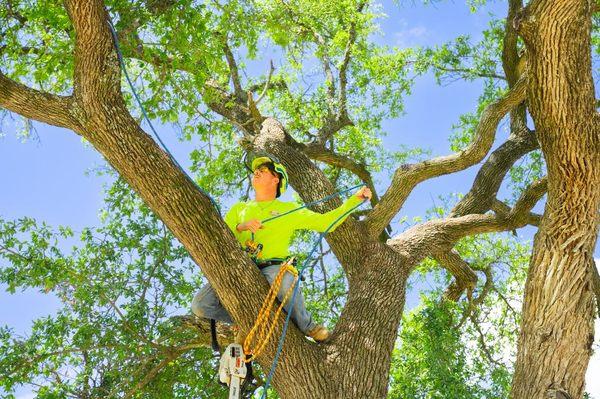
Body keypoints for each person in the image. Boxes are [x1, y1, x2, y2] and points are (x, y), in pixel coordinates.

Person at [191, 155, 372, 342]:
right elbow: (222, 237)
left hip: (272, 267)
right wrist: (241, 227)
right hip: (239, 267)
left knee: (285, 284)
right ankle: (245, 320)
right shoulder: (239, 209)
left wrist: (354, 201)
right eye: (255, 171)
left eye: (263, 170)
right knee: (200, 305)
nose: (257, 173)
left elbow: (326, 222)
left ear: (276, 179)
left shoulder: (288, 209)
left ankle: (308, 327)